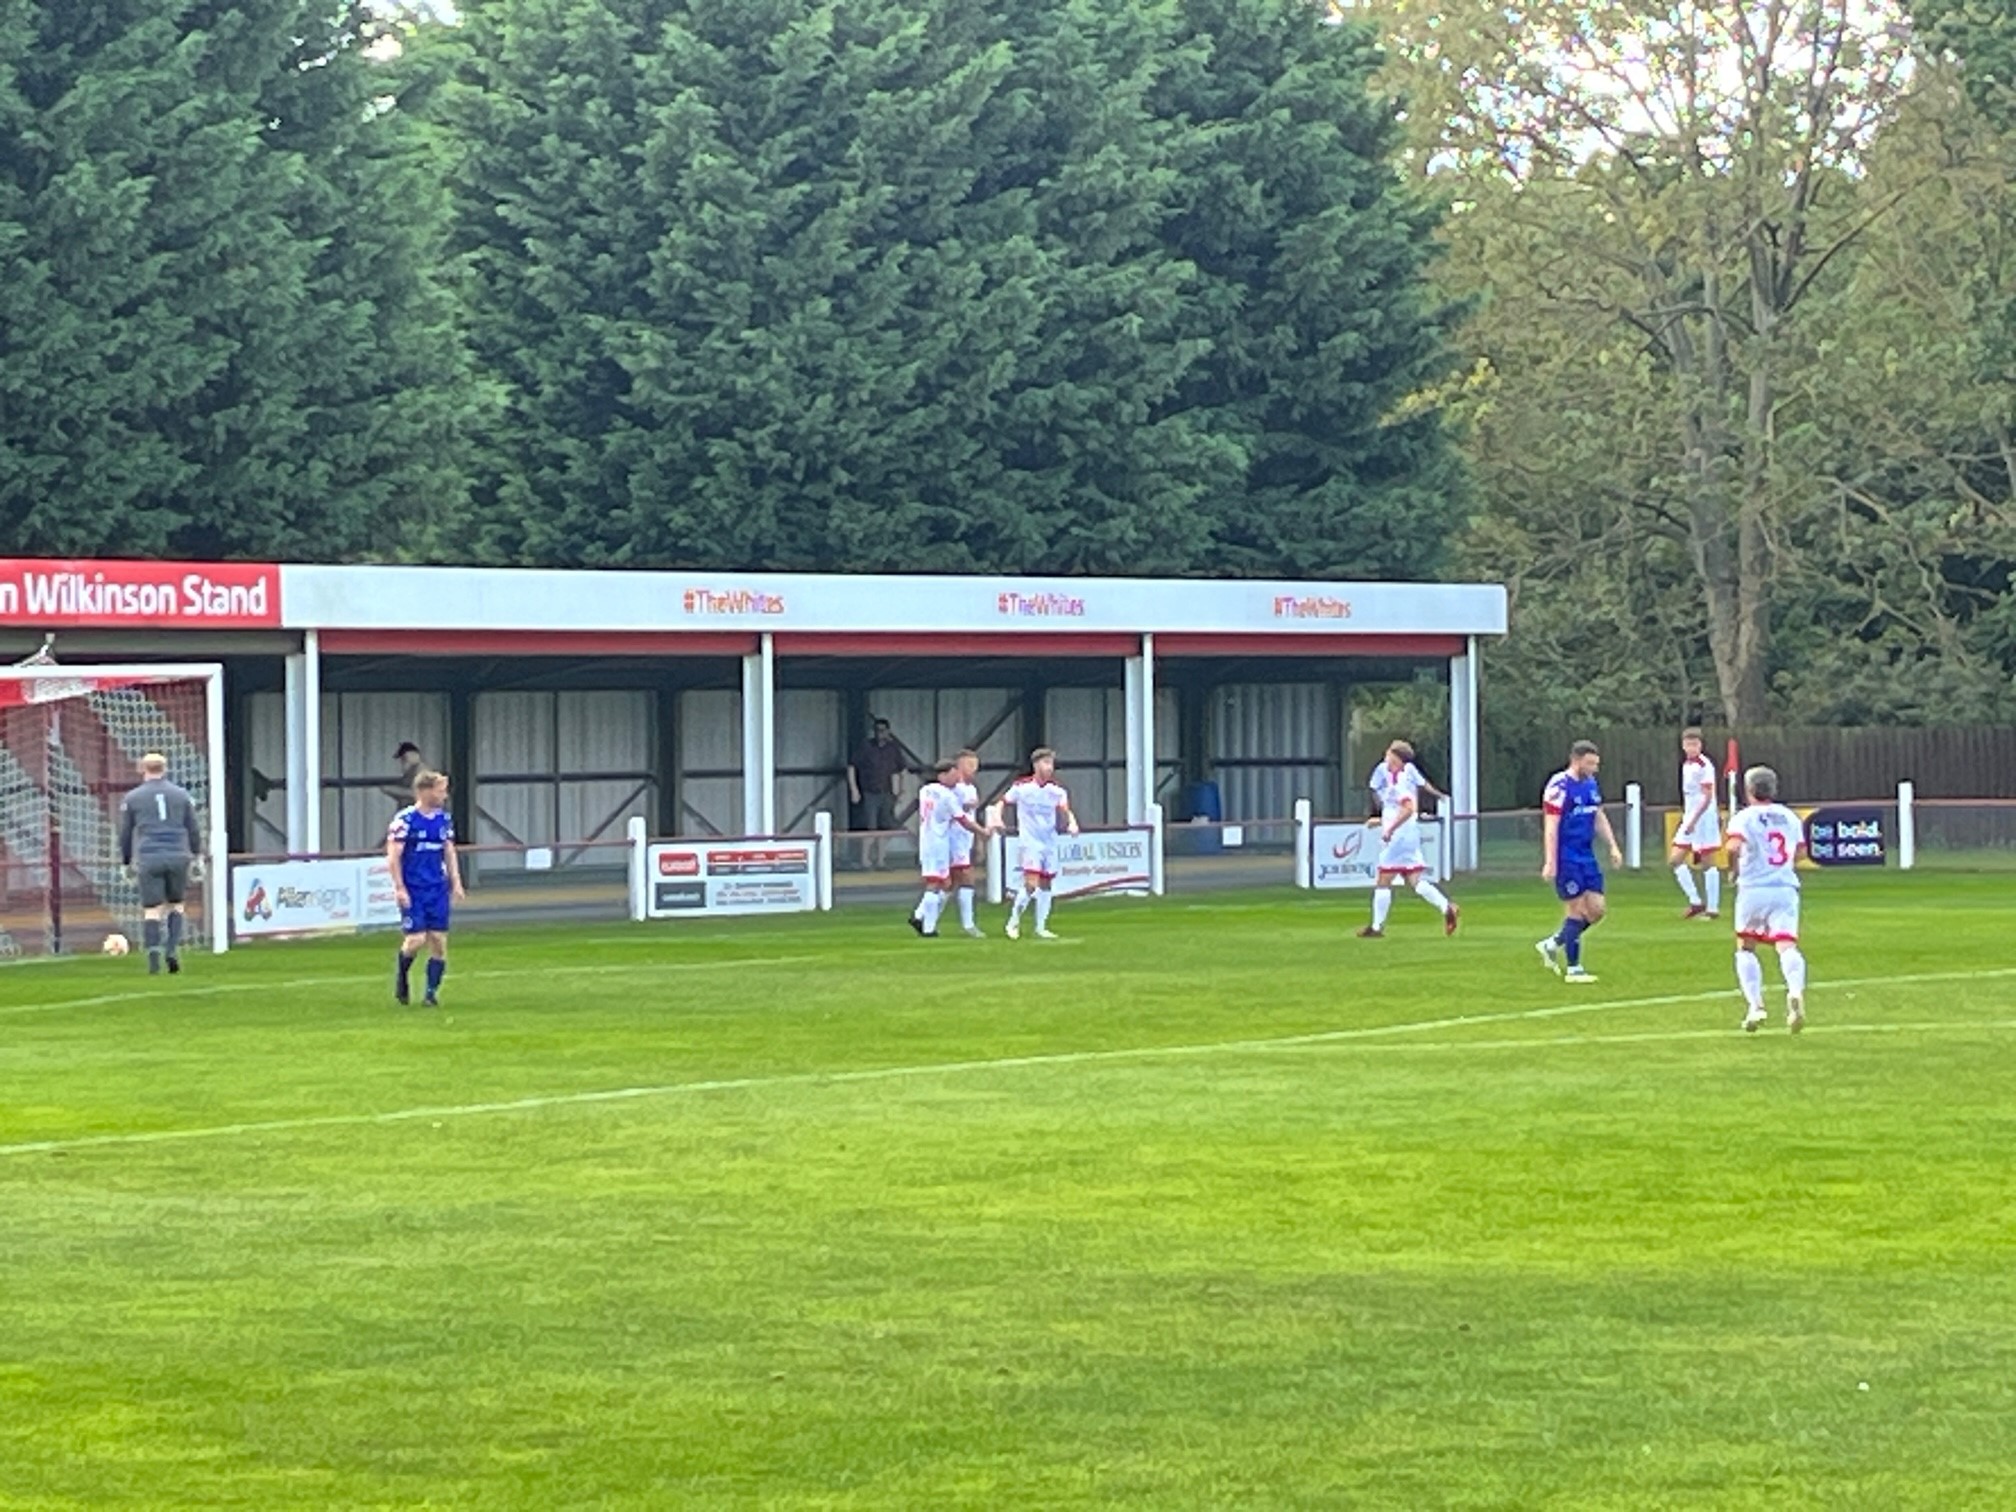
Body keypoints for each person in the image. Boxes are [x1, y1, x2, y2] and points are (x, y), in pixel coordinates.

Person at [1724, 765, 1808, 1033]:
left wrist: (1733, 870)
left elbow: (1734, 847)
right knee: (1786, 945)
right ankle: (1795, 991)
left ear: (1748, 790)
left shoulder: (1743, 818)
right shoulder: (1789, 817)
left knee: (1746, 947)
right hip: (1784, 888)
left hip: (1753, 889)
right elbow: (1802, 852)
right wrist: (1783, 866)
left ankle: (1755, 1005)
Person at [1537, 740, 1624, 985]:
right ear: (1576, 760)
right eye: (1590, 763)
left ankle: (1552, 944)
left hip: (1586, 855)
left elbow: (1598, 815)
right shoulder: (1558, 786)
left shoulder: (1590, 784)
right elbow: (1551, 826)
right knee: (1576, 910)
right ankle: (1574, 969)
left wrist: (1613, 846)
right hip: (1567, 856)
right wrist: (1550, 861)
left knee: (1596, 910)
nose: (1595, 768)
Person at [1358, 740, 1459, 938]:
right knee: (1415, 880)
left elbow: (1408, 808)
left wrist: (1389, 830)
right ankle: (1447, 907)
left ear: (1396, 758)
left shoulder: (1401, 782)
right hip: (1408, 835)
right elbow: (1398, 810)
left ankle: (1377, 927)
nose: (1385, 758)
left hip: (1398, 838)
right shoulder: (1396, 780)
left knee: (1383, 879)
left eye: (1389, 755)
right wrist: (1380, 821)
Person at [117, 753, 202, 975]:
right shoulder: (181, 795)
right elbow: (193, 828)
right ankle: (172, 949)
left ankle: (154, 956)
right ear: (165, 768)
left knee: (152, 910)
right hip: (178, 855)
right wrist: (197, 854)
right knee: (176, 905)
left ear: (142, 769)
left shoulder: (133, 798)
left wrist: (125, 861)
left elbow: (126, 833)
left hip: (149, 856)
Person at [387, 771, 465, 1007]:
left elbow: (449, 851)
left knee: (439, 942)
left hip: (436, 888)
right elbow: (393, 857)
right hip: (414, 888)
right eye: (440, 790)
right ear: (425, 791)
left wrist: (456, 881)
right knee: (416, 940)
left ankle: (431, 994)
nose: (444, 795)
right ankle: (402, 976)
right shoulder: (405, 821)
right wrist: (399, 887)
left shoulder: (443, 820)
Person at [909, 759, 989, 938]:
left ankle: (922, 918)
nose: (956, 778)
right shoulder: (948, 796)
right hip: (939, 842)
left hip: (928, 839)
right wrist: (982, 832)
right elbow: (963, 819)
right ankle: (928, 928)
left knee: (944, 882)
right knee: (936, 882)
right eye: (953, 774)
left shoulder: (926, 790)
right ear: (942, 775)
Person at [1003, 747, 1077, 941]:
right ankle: (1013, 921)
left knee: (1046, 883)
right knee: (1031, 883)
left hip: (1049, 841)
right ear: (1036, 765)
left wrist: (1072, 823)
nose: (1049, 768)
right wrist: (996, 817)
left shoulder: (1057, 791)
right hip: (1030, 841)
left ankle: (1041, 927)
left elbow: (1065, 810)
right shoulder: (1022, 787)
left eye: (1051, 764)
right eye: (1045, 763)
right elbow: (1003, 802)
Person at [1672, 727, 1724, 919]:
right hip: (1691, 816)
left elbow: (1707, 796)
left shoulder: (1704, 765)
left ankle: (1713, 908)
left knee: (1707, 861)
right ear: (1683, 745)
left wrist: (1694, 819)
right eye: (1688, 744)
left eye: (1695, 744)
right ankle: (1695, 901)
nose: (1691, 747)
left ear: (1700, 745)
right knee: (1675, 859)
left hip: (1703, 818)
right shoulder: (1687, 764)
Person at [847, 718, 907, 869]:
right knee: (870, 828)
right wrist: (854, 789)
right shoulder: (866, 747)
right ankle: (865, 861)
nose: (880, 734)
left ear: (888, 731)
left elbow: (901, 770)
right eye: (877, 731)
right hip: (869, 793)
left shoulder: (893, 749)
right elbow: (852, 767)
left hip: (887, 792)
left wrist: (900, 790)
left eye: (882, 730)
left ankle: (881, 860)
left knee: (884, 827)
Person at [948, 748, 986, 937]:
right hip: (953, 839)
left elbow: (972, 816)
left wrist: (978, 842)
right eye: (970, 765)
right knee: (966, 878)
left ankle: (923, 918)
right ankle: (969, 924)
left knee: (949, 883)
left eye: (976, 765)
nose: (974, 769)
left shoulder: (971, 789)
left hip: (966, 840)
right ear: (959, 765)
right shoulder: (952, 789)